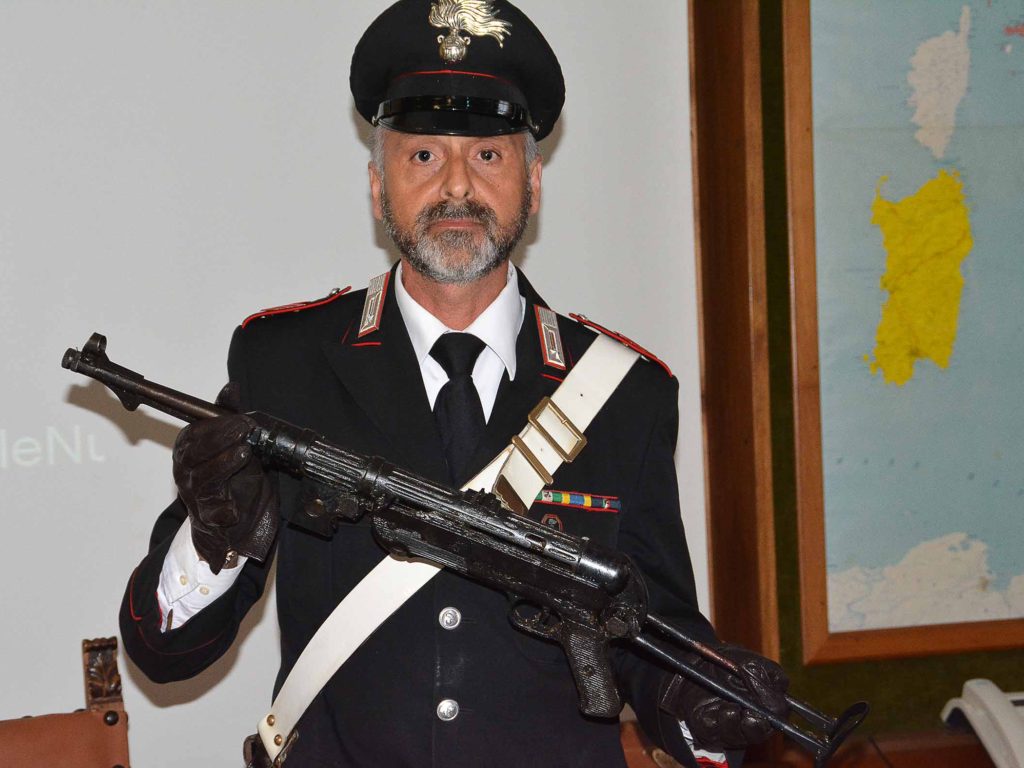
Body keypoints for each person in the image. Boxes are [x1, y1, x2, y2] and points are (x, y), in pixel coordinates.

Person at [119, 1, 788, 766]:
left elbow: (649, 633)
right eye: (423, 157)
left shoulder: (623, 393)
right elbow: (164, 650)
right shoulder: (286, 364)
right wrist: (214, 538)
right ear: (378, 187)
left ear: (533, 184)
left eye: (489, 156)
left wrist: (702, 705)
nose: (458, 187)